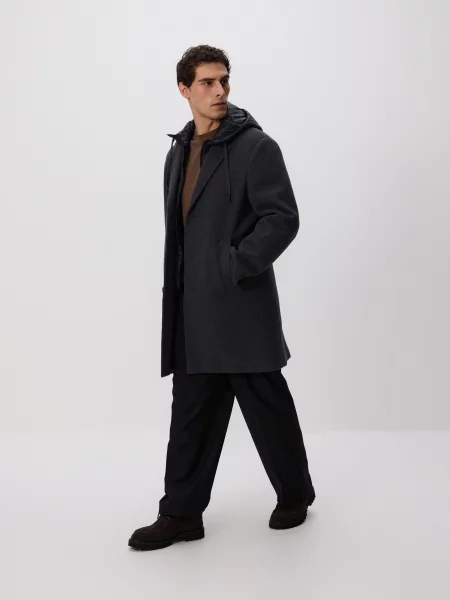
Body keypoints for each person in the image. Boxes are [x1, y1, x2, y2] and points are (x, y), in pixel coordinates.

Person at [128, 45, 315, 551]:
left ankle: (295, 494)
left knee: (268, 410)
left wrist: (233, 265)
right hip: (192, 312)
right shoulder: (177, 152)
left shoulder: (256, 147)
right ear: (184, 89)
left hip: (240, 306)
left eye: (224, 80)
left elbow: (282, 218)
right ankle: (181, 514)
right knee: (190, 415)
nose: (219, 91)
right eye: (207, 82)